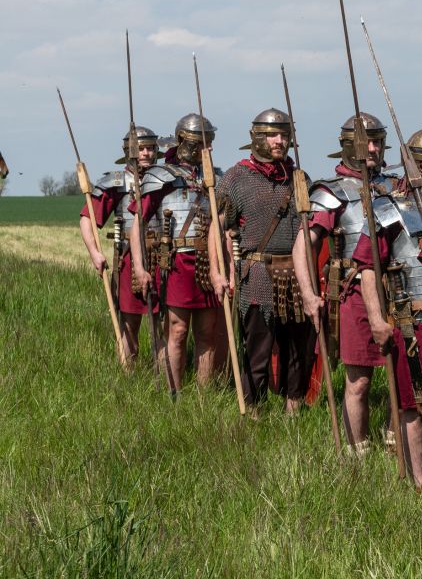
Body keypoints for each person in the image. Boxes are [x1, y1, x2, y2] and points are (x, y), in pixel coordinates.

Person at [353, 126, 422, 489]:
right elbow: (369, 269)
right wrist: (375, 320)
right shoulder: (388, 209)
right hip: (410, 322)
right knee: (413, 407)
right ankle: (419, 484)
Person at [295, 112, 399, 454]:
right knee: (360, 381)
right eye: (367, 141)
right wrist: (309, 295)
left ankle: (395, 442)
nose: (374, 148)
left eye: (378, 141)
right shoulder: (331, 193)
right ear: (348, 146)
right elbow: (303, 245)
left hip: (398, 291)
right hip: (353, 293)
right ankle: (357, 452)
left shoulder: (392, 188)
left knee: (403, 376)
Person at [216, 108, 316, 412]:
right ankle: (254, 412)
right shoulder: (237, 177)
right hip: (258, 272)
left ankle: (293, 412)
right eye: (273, 134)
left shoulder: (298, 179)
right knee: (257, 350)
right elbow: (217, 227)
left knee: (299, 349)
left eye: (285, 135)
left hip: (295, 273)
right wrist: (219, 272)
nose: (280, 140)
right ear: (257, 137)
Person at [142, 114, 226, 390]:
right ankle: (173, 395)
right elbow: (139, 224)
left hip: (206, 261)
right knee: (176, 331)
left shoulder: (216, 178)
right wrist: (143, 267)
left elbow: (225, 223)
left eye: (210, 142)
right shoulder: (160, 176)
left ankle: (203, 400)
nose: (209, 149)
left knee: (207, 332)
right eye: (203, 143)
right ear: (184, 142)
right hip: (177, 261)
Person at [80, 126, 162, 367]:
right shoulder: (116, 182)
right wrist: (95, 253)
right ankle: (129, 377)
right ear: (129, 152)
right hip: (127, 258)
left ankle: (166, 376)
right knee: (129, 323)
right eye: (141, 149)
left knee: (163, 325)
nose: (146, 154)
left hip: (163, 257)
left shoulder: (164, 179)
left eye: (150, 149)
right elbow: (87, 219)